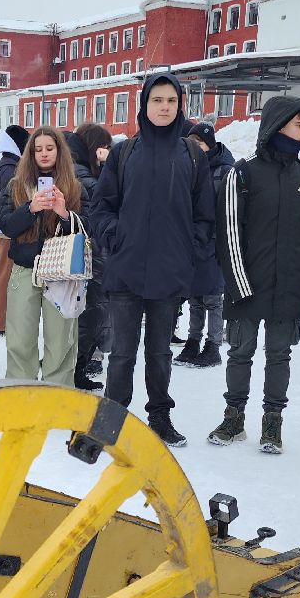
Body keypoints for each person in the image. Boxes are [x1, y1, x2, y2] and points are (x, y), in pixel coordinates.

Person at [91, 74, 214, 447]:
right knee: (121, 354)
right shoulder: (124, 153)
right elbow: (101, 208)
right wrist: (117, 237)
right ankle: (109, 423)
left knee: (160, 354)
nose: (164, 107)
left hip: (169, 274)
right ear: (144, 105)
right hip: (126, 271)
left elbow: (205, 216)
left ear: (180, 106)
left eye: (171, 101)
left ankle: (160, 417)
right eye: (157, 100)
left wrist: (187, 250)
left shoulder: (192, 155)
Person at [208, 95, 300, 453]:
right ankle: (234, 418)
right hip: (248, 284)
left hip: (288, 285)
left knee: (279, 355)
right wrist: (239, 284)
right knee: (240, 353)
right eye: (299, 124)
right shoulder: (242, 173)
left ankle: (273, 422)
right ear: (278, 124)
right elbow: (228, 233)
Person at [0, 125, 83, 384]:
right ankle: (21, 393)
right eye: (38, 149)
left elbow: (89, 228)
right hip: (26, 269)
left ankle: (58, 396)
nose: (44, 154)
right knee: (20, 340)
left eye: (49, 148)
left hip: (62, 272)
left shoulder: (74, 186)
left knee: (61, 342)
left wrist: (64, 213)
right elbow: (6, 225)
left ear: (59, 151)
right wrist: (30, 209)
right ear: (30, 153)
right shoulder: (16, 186)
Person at [174, 121, 233, 369]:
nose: (195, 146)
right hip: (192, 241)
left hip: (215, 243)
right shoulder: (188, 167)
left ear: (209, 143)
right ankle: (193, 341)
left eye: (199, 142)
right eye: (191, 142)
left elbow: (230, 210)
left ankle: (213, 346)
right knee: (195, 296)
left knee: (213, 298)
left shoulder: (225, 170)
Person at [66, 123, 112, 390]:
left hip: (87, 254)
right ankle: (75, 370)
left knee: (87, 314)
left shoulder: (76, 169)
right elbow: (107, 200)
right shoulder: (84, 175)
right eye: (104, 147)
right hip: (89, 255)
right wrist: (108, 167)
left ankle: (77, 368)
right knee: (90, 315)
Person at [0, 124, 29, 334]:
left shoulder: (5, 164)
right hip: (7, 231)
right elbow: (7, 201)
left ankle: (2, 320)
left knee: (7, 275)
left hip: (5, 229)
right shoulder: (10, 169)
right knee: (5, 276)